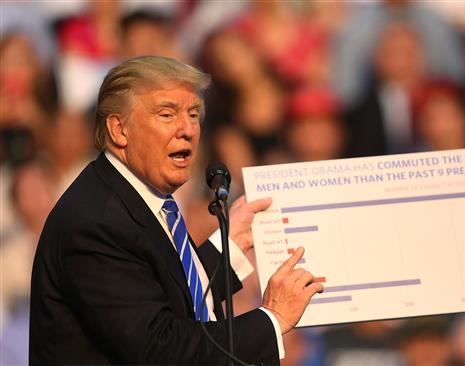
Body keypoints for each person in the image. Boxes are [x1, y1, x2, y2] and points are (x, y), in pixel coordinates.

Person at [29, 56, 323, 365]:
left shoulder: (135, 196)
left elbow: (167, 294)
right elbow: (162, 349)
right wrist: (272, 319)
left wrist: (230, 247)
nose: (188, 129)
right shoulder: (97, 223)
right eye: (167, 114)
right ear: (119, 129)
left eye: (194, 114)